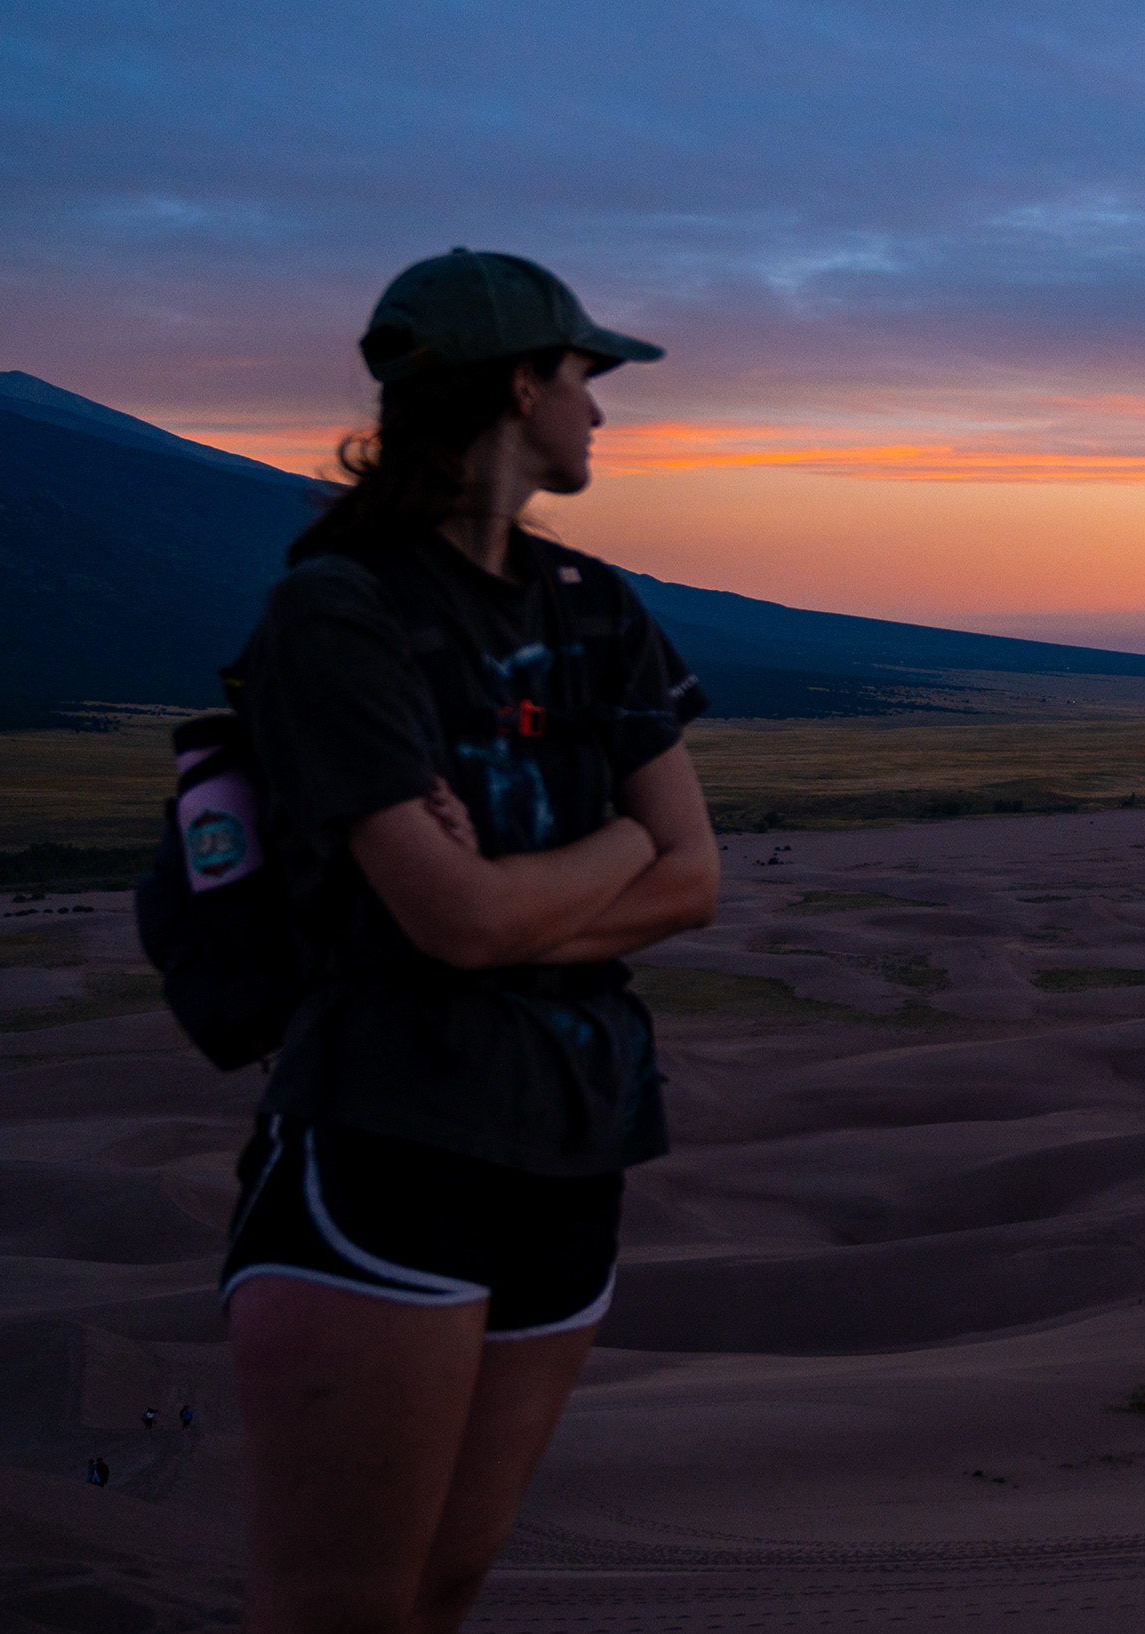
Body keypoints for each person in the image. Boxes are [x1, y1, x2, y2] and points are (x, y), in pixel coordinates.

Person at [217, 249, 719, 1633]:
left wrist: (545, 880)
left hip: (574, 1142)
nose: (600, 414)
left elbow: (695, 879)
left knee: (448, 1585)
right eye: (582, 377)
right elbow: (456, 918)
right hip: (388, 1153)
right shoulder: (339, 610)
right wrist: (615, 843)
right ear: (518, 384)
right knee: (339, 1609)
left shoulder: (598, 606)